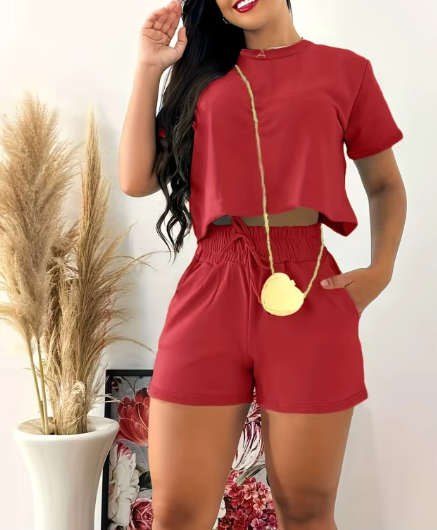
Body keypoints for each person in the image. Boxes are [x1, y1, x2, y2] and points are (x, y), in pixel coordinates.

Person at [118, 0, 407, 528]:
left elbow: (384, 184)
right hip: (213, 282)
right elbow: (136, 179)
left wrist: (381, 269)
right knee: (176, 514)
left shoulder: (347, 71)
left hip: (309, 286)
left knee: (307, 510)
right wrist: (149, 67)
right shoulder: (204, 78)